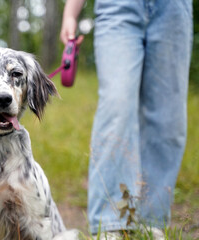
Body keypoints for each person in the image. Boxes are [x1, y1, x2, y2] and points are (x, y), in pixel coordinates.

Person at [60, 0, 193, 238]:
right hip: (117, 8)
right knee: (116, 106)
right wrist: (70, 14)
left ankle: (149, 222)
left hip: (174, 10)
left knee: (168, 120)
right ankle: (111, 224)